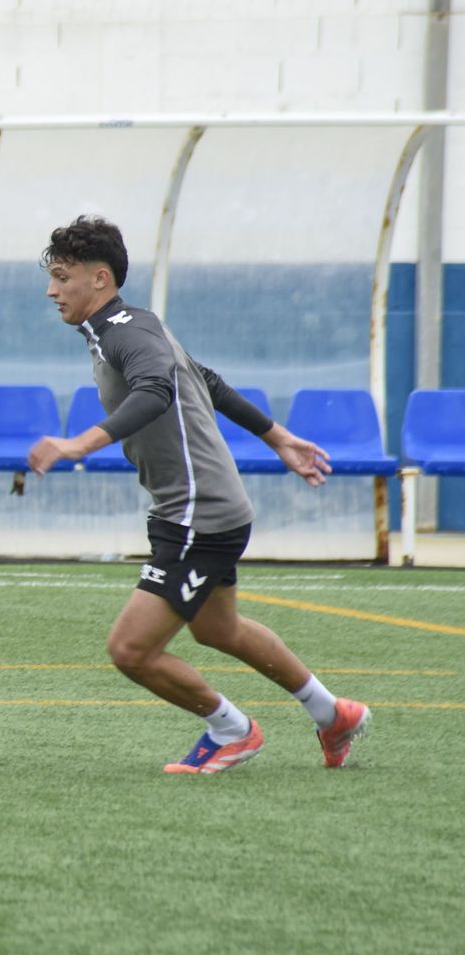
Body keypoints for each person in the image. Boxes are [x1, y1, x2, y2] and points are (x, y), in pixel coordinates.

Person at [27, 214, 369, 775]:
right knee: (218, 629)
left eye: (63, 277)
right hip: (195, 507)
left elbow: (158, 391)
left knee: (131, 651)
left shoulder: (127, 332)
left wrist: (79, 443)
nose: (51, 290)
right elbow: (203, 379)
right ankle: (333, 714)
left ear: (100, 278)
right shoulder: (131, 325)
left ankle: (231, 730)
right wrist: (278, 435)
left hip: (199, 514)